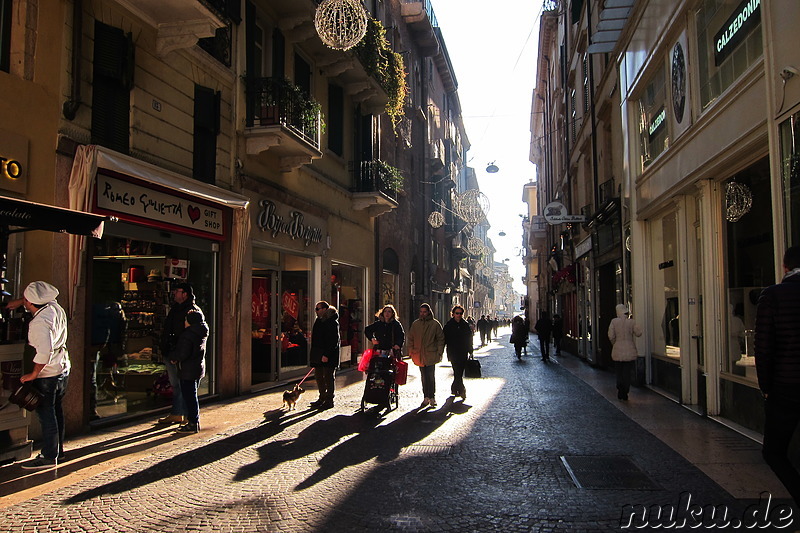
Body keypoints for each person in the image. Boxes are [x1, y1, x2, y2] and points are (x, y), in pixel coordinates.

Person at [755, 245, 800, 505]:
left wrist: (766, 387)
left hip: (786, 387)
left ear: (785, 267)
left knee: (774, 452)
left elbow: (764, 347)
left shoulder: (773, 296)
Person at [9, 281, 69, 469]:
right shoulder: (55, 308)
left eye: (26, 300)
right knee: (56, 410)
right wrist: (22, 301)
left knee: (46, 414)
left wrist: (33, 374)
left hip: (48, 373)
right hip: (62, 368)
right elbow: (45, 300)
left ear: (31, 302)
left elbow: (44, 351)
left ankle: (49, 457)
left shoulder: (39, 323)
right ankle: (58, 451)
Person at [159, 282, 203, 425]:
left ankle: (187, 417)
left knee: (184, 386)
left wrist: (178, 355)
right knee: (176, 385)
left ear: (185, 294)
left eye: (177, 291)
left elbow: (189, 338)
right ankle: (178, 413)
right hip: (173, 352)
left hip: (181, 355)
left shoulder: (191, 312)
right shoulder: (176, 308)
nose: (174, 294)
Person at [169, 310, 208, 433]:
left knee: (189, 397)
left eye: (186, 319)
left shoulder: (188, 335)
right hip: (197, 367)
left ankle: (192, 423)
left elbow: (183, 353)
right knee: (192, 395)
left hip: (188, 369)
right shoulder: (201, 332)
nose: (184, 322)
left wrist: (174, 357)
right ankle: (193, 422)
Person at [406, 303, 445, 408]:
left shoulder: (435, 324)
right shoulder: (415, 324)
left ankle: (432, 397)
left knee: (430, 377)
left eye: (425, 312)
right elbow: (411, 338)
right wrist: (411, 350)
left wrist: (439, 352)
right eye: (421, 312)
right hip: (419, 355)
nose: (423, 314)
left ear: (428, 312)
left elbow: (440, 339)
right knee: (423, 377)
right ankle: (426, 397)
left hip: (431, 355)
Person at [608, 304, 643, 401]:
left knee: (619, 371)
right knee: (627, 372)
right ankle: (626, 390)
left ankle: (620, 387)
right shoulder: (631, 322)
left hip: (617, 349)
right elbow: (639, 333)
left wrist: (615, 343)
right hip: (629, 350)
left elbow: (611, 335)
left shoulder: (614, 322)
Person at [309, 301, 340, 409]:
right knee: (319, 376)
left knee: (328, 377)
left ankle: (329, 400)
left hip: (328, 355)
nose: (316, 311)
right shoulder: (319, 321)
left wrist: (326, 354)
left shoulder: (332, 322)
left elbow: (333, 341)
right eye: (316, 309)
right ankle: (322, 397)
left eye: (318, 309)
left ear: (325, 309)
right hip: (318, 353)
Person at [443, 305, 472, 400]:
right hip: (453, 351)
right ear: (453, 314)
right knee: (456, 370)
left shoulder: (465, 324)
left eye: (460, 313)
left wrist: (470, 350)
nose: (458, 315)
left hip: (463, 351)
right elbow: (444, 338)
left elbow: (469, 338)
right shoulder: (449, 325)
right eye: (457, 313)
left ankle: (455, 388)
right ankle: (462, 389)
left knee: (459, 371)